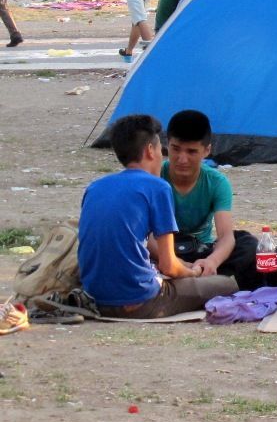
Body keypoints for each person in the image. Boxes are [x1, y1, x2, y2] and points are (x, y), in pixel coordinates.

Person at [77, 114, 237, 319]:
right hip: (139, 302)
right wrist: (193, 272)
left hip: (94, 299)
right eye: (167, 149)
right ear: (150, 150)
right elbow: (168, 266)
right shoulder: (158, 186)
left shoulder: (95, 187)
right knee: (227, 285)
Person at [159, 110, 263, 291]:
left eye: (191, 152)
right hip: (163, 251)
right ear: (167, 145)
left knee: (248, 243)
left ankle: (196, 279)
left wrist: (211, 262)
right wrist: (173, 262)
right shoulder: (155, 177)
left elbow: (225, 236)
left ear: (207, 151)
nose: (182, 159)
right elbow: (149, 236)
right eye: (176, 149)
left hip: (200, 252)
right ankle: (210, 285)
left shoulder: (217, 182)